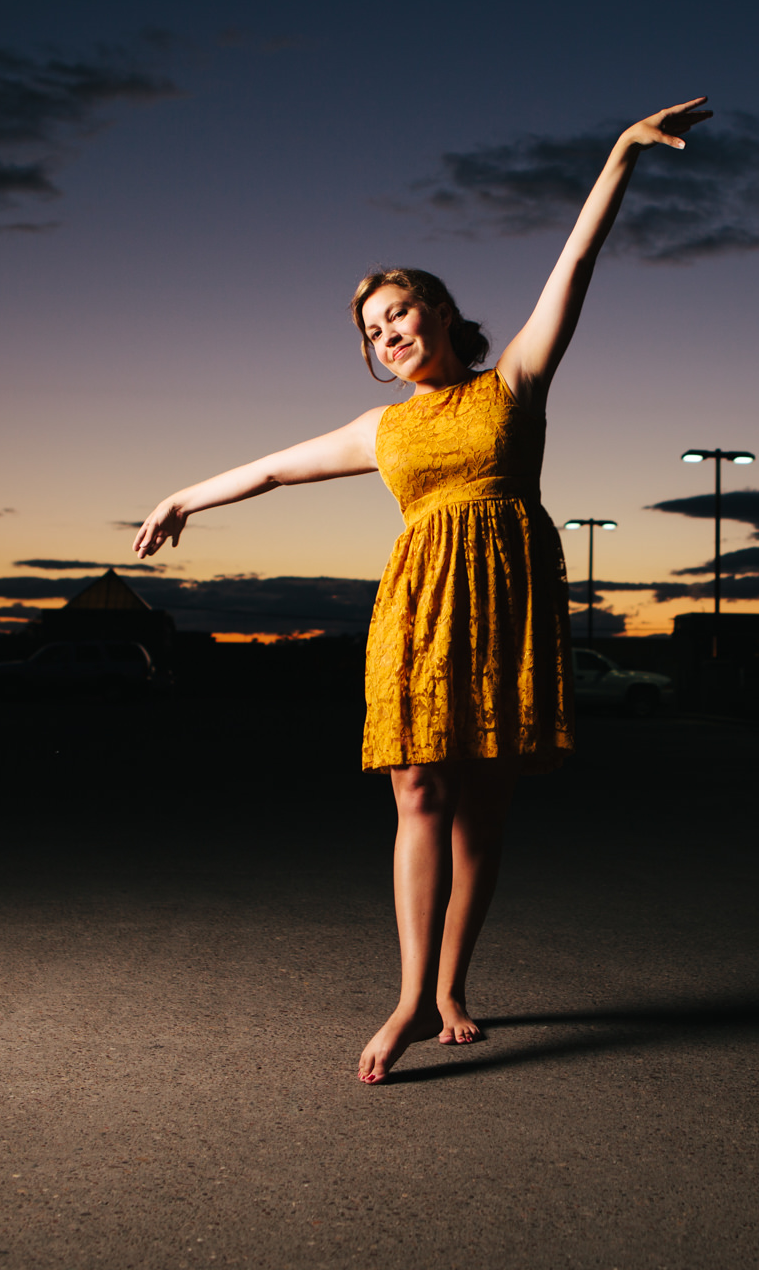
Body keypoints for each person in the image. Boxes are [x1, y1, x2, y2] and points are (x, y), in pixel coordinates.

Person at [133, 97, 714, 1083]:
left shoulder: (513, 383)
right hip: (418, 604)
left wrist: (619, 154)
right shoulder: (380, 429)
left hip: (505, 590)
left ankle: (452, 987)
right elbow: (272, 468)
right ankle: (409, 995)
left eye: (399, 311)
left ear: (441, 312)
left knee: (484, 807)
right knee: (417, 791)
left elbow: (573, 266)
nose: (388, 332)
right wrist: (185, 496)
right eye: (372, 328)